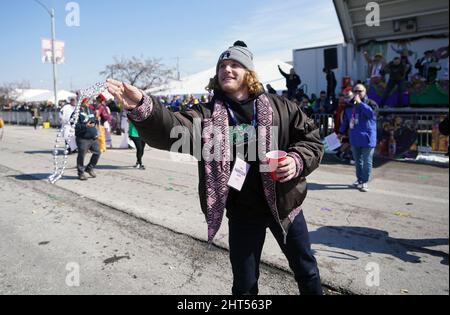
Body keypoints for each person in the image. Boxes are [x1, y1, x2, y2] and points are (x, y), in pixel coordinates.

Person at [107, 40, 324, 295]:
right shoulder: (206, 115)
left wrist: (296, 160)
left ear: (249, 72)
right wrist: (143, 105)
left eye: (235, 64)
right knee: (244, 285)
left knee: (306, 270)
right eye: (222, 65)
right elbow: (172, 131)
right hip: (243, 212)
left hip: (286, 205)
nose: (227, 69)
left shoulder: (282, 107)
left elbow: (311, 139)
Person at [339, 84, 378, 192]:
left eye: (360, 91)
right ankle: (359, 179)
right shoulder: (350, 105)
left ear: (365, 91)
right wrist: (341, 132)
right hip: (355, 138)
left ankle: (365, 181)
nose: (357, 93)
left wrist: (360, 103)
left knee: (367, 161)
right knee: (357, 161)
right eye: (355, 91)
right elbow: (346, 121)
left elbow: (371, 114)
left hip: (368, 138)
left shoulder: (371, 104)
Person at [74, 98, 101, 181]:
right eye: (87, 101)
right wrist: (85, 126)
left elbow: (93, 122)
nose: (89, 102)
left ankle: (89, 168)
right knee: (82, 155)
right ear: (82, 102)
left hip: (93, 137)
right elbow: (74, 125)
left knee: (97, 152)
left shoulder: (90, 110)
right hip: (83, 138)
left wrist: (96, 119)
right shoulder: (77, 112)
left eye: (89, 101)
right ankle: (80, 172)